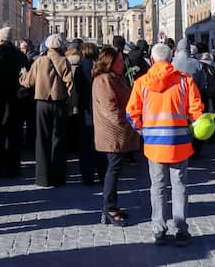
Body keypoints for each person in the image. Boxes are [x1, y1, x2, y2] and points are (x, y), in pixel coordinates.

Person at [127, 43, 204, 246]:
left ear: (152, 60)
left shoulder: (141, 82)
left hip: (153, 143)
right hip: (179, 142)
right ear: (170, 59)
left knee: (158, 187)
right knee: (179, 187)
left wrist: (143, 131)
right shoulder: (184, 81)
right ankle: (180, 230)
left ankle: (159, 229)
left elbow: (131, 113)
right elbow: (196, 111)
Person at [20, 33, 77, 187]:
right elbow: (70, 85)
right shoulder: (64, 61)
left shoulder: (39, 61)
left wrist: (23, 75)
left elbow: (28, 82)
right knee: (58, 138)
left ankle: (42, 177)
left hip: (42, 103)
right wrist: (72, 105)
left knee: (42, 139)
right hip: (59, 103)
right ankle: (58, 176)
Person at [92, 46, 140, 226]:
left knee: (115, 170)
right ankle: (109, 209)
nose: (123, 64)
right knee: (112, 170)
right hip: (112, 133)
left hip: (117, 132)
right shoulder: (104, 80)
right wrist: (130, 121)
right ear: (110, 63)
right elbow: (110, 110)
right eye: (120, 61)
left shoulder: (114, 77)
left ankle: (111, 207)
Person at [0, 27, 29, 178]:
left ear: (1, 40)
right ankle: (13, 165)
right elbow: (26, 75)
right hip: (16, 99)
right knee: (15, 133)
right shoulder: (20, 55)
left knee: (0, 133)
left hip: (0, 99)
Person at [75, 41, 106, 185]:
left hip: (85, 108)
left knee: (86, 144)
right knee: (101, 143)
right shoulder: (101, 67)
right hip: (100, 109)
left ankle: (87, 176)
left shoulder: (81, 67)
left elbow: (76, 89)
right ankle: (102, 174)